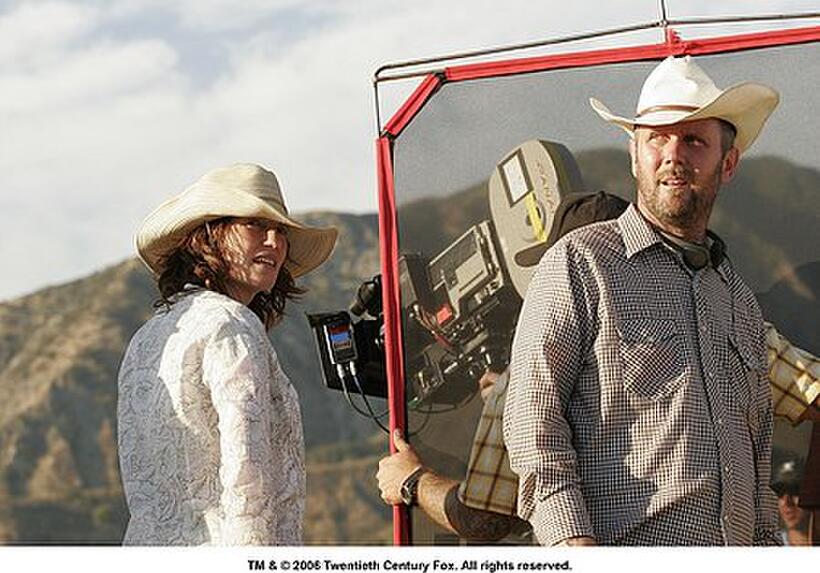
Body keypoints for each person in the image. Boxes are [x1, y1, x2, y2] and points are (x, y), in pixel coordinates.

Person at [377, 191, 819, 543]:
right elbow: (811, 389)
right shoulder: (727, 317)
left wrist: (413, 481)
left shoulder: (522, 379)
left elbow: (486, 519)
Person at [503, 54, 783, 546]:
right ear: (634, 155)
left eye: (694, 140)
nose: (673, 154)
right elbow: (532, 416)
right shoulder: (581, 263)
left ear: (728, 163)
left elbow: (758, 461)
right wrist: (573, 547)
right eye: (656, 137)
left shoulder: (738, 299)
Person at [117, 163, 337, 545]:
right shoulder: (232, 323)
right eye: (255, 224)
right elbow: (246, 473)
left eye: (281, 231)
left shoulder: (145, 338)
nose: (275, 241)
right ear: (208, 237)